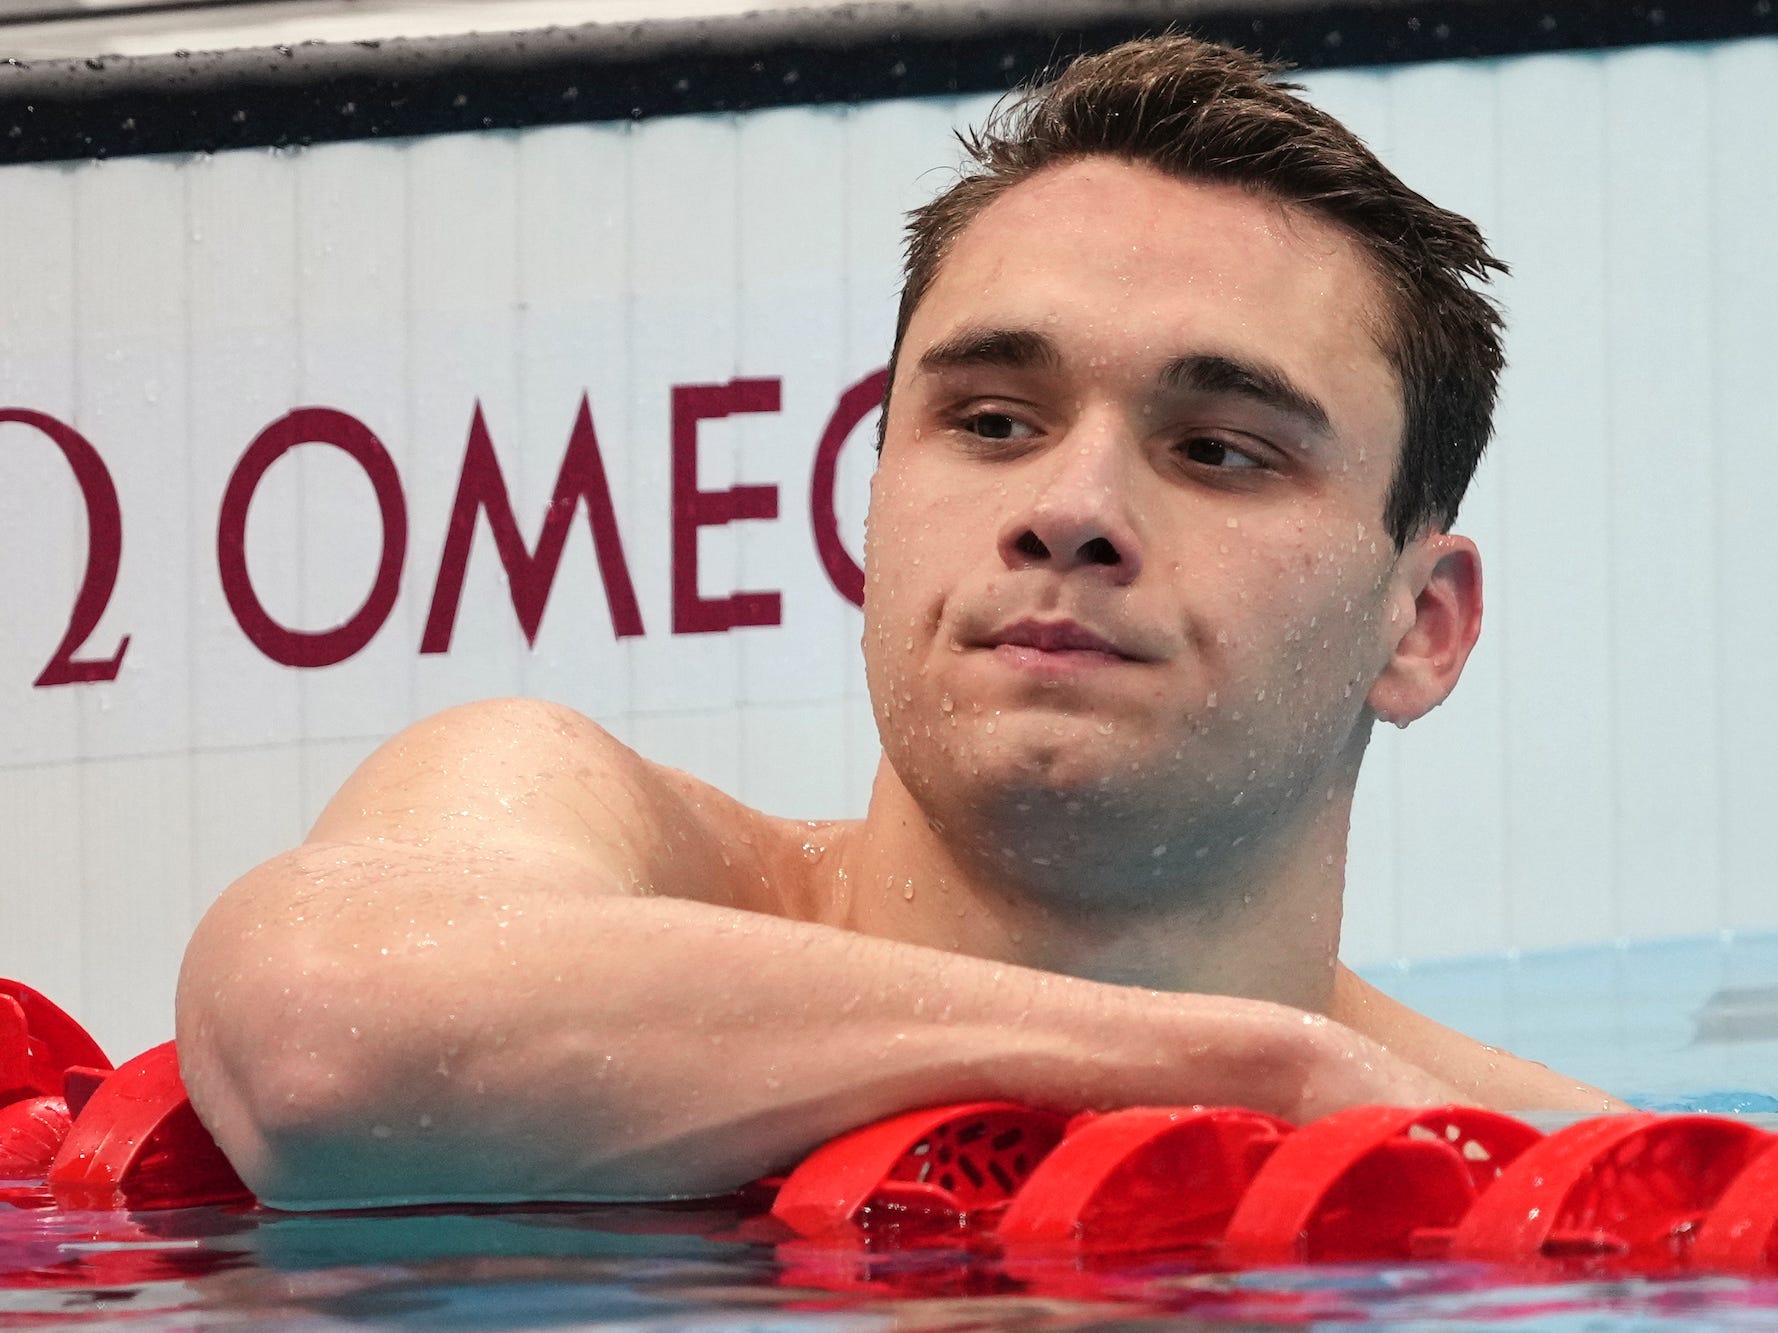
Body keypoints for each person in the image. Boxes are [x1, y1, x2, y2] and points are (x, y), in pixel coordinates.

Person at [176, 34, 1622, 1209]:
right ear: (876, 503)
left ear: (1419, 627)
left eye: (1216, 448)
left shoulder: (1545, 1172)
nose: (1073, 506)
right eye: (992, 421)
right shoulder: (591, 825)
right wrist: (1254, 1081)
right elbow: (323, 1040)